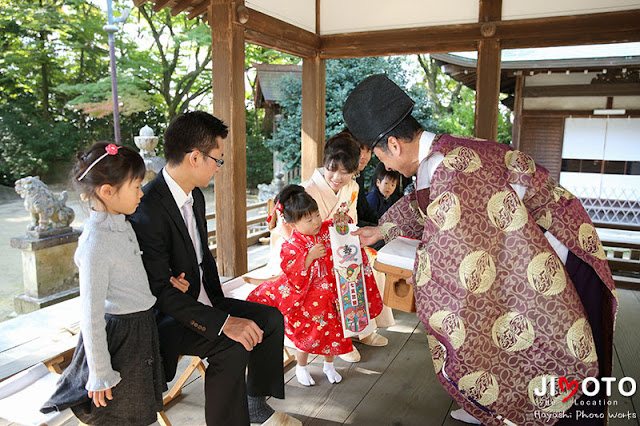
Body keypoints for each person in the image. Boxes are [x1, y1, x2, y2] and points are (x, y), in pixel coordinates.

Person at [343, 74, 617, 426]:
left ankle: (512, 410)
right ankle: (492, 406)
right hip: (528, 258)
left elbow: (458, 261)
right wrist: (381, 229)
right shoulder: (440, 156)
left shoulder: (454, 172)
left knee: (550, 362)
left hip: (558, 271)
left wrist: (421, 274)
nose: (388, 168)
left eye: (382, 158)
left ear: (393, 145)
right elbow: (422, 206)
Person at [129, 111, 299, 426]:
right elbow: (161, 294)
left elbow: (201, 256)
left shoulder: (194, 196)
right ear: (195, 157)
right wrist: (223, 323)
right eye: (217, 160)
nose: (219, 168)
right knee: (232, 345)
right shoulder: (148, 208)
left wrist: (221, 309)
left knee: (270, 319)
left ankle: (254, 403)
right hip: (171, 317)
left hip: (204, 299)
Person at [41, 142, 183, 425]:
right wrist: (100, 372)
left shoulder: (121, 223)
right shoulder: (96, 243)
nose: (142, 193)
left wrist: (164, 281)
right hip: (120, 337)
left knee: (140, 411)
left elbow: (125, 275)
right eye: (136, 186)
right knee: (122, 414)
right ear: (107, 191)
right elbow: (90, 314)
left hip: (140, 328)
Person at [246, 185, 383, 386]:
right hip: (308, 302)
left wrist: (342, 222)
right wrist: (308, 257)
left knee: (334, 334)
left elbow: (342, 231)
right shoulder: (291, 246)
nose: (316, 222)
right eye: (309, 220)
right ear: (293, 224)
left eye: (317, 215)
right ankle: (302, 367)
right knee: (307, 337)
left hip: (332, 297)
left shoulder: (326, 230)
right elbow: (291, 270)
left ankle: (329, 365)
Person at [301, 131, 392, 363]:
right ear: (325, 163)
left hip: (341, 245)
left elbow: (350, 219)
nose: (337, 177)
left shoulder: (351, 188)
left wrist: (352, 243)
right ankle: (340, 339)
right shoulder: (307, 190)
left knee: (366, 265)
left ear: (355, 171)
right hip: (313, 251)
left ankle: (362, 329)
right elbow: (298, 232)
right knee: (335, 276)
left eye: (345, 172)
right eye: (332, 169)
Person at [354, 139, 378, 228]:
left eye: (368, 152)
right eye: (359, 151)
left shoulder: (359, 175)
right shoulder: (341, 177)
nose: (363, 156)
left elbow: (363, 206)